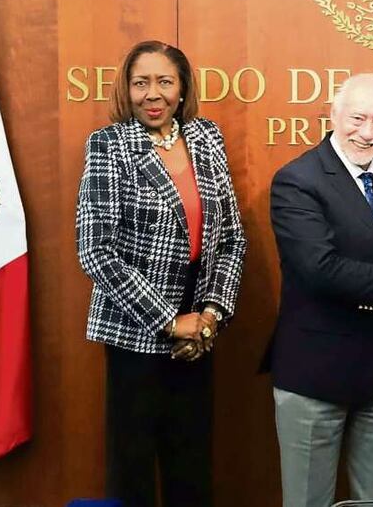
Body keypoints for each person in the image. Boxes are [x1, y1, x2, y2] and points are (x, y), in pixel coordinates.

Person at [76, 40, 247, 507]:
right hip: (135, 330)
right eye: (140, 82)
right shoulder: (108, 145)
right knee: (131, 471)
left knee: (191, 467)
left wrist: (209, 314)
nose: (153, 93)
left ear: (182, 88)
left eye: (164, 81)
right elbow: (96, 251)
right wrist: (172, 321)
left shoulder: (207, 137)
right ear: (126, 90)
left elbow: (230, 237)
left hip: (200, 329)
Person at [262, 73, 373, 507]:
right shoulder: (297, 180)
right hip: (314, 375)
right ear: (333, 115)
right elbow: (319, 269)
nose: (367, 133)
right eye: (357, 118)